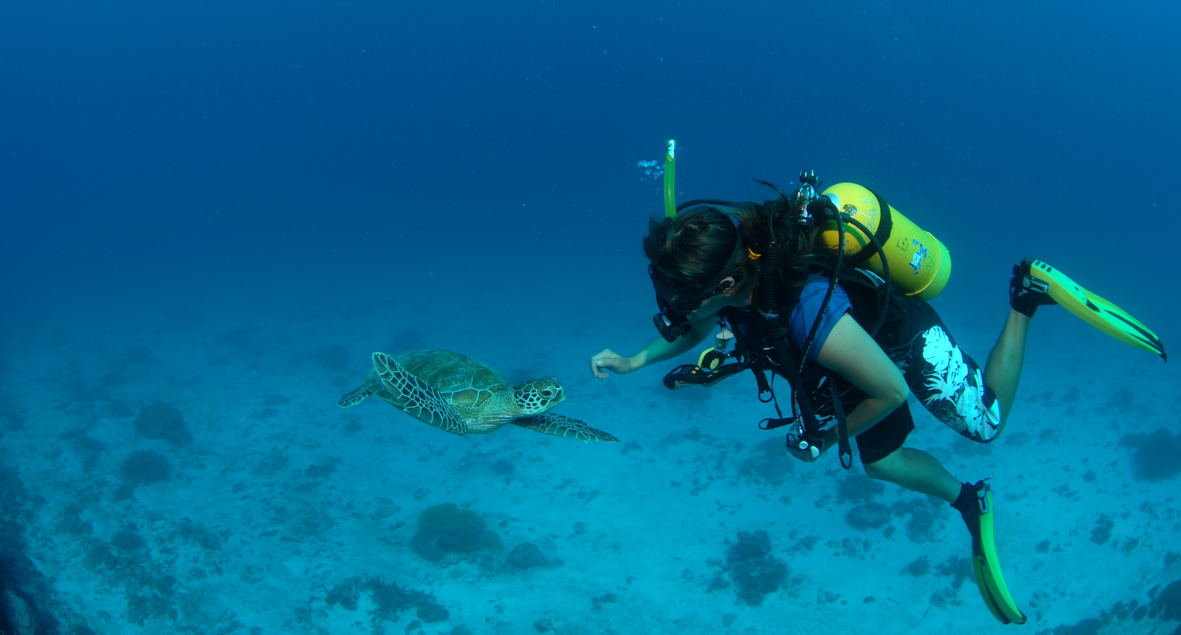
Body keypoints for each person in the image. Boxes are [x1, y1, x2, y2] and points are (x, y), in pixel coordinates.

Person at [588, 178, 1057, 624]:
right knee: (882, 463)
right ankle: (970, 500)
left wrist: (829, 438)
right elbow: (697, 326)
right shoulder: (735, 284)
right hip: (841, 371)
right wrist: (634, 361)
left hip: (897, 340)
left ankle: (1024, 300)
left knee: (986, 424)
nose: (675, 306)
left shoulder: (806, 309)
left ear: (726, 285)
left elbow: (890, 390)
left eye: (683, 296)